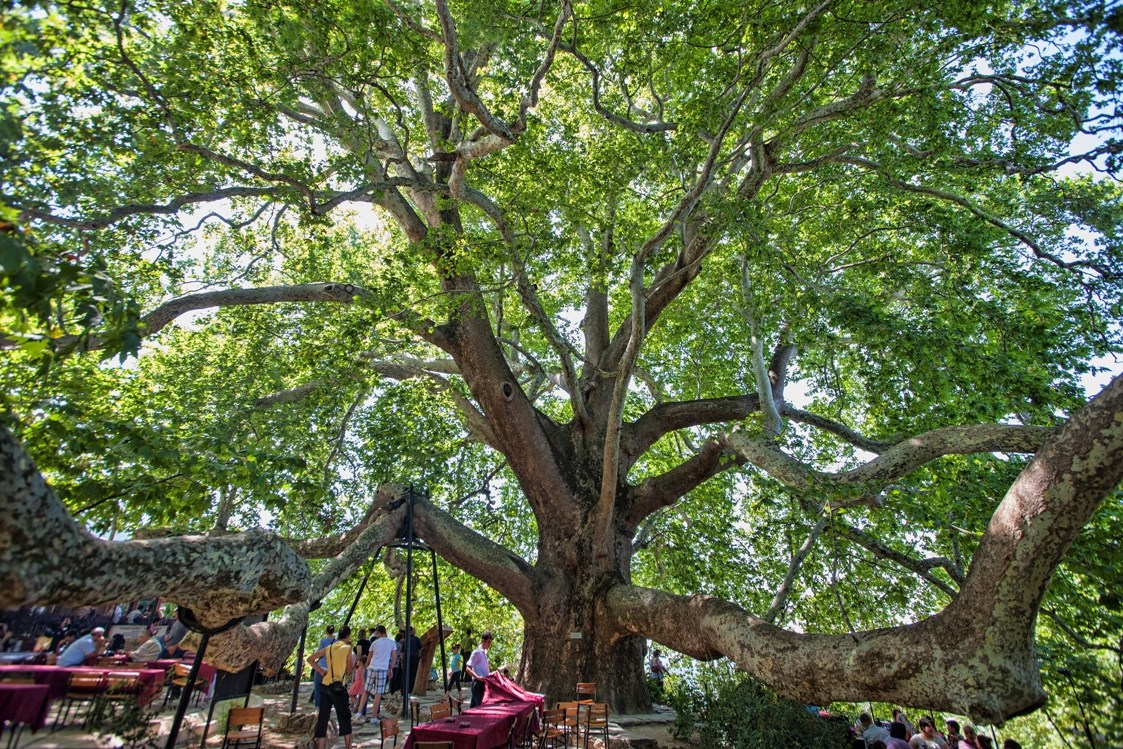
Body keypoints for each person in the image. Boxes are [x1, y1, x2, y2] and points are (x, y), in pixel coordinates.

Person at [307, 624, 354, 749]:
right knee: (344, 718)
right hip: (338, 686)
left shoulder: (330, 647)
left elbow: (310, 659)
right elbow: (349, 669)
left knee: (323, 718)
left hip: (325, 684)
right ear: (348, 636)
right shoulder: (347, 648)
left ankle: (321, 746)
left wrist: (321, 671)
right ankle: (348, 746)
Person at [358, 625, 397, 720]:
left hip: (372, 667)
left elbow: (369, 657)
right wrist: (390, 668)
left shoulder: (374, 643)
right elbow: (394, 658)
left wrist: (366, 667)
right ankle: (374, 716)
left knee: (366, 691)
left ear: (379, 633)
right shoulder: (392, 643)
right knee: (378, 693)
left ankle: (359, 712)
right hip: (382, 669)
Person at [466, 631, 493, 708]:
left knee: (474, 708)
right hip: (478, 684)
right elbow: (468, 668)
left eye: (490, 643)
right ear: (483, 641)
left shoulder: (484, 652)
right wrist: (477, 677)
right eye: (488, 642)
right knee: (480, 708)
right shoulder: (477, 652)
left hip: (483, 683)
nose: (489, 645)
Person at [311, 624, 336, 708]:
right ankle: (327, 707)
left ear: (326, 631)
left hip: (320, 667)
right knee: (328, 689)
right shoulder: (336, 642)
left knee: (318, 688)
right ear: (334, 631)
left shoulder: (323, 641)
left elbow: (319, 653)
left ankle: (318, 707)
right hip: (330, 668)